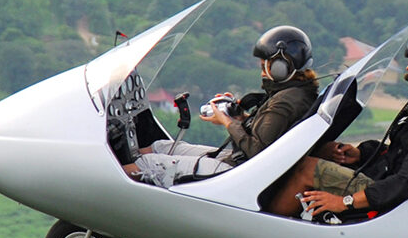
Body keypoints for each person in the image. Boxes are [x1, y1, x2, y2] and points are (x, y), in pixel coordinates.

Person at [269, 26, 408, 217]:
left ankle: (268, 228)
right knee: (322, 151)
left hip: (389, 197)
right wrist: (361, 153)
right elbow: (401, 151)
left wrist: (344, 202)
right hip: (384, 181)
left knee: (306, 168)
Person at [127, 25, 318, 187]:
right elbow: (269, 133)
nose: (262, 73)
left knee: (145, 164)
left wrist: (227, 122)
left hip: (238, 171)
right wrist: (240, 118)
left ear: (280, 68)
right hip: (238, 161)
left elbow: (257, 150)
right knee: (159, 147)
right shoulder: (297, 93)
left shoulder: (285, 101)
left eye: (264, 67)